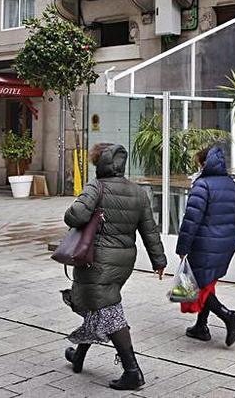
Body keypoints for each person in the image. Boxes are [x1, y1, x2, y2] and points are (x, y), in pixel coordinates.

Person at [63, 143, 167, 391]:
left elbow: (73, 216)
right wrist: (159, 261)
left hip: (96, 260)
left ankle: (133, 371)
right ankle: (78, 357)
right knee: (97, 304)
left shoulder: (96, 187)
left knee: (108, 310)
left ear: (100, 163)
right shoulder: (137, 192)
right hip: (123, 262)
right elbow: (149, 230)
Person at [177, 146, 235, 347]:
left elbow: (191, 220)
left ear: (204, 163)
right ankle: (201, 326)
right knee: (207, 283)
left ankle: (229, 316)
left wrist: (182, 247)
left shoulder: (202, 185)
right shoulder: (230, 183)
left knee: (194, 285)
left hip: (205, 243)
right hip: (225, 242)